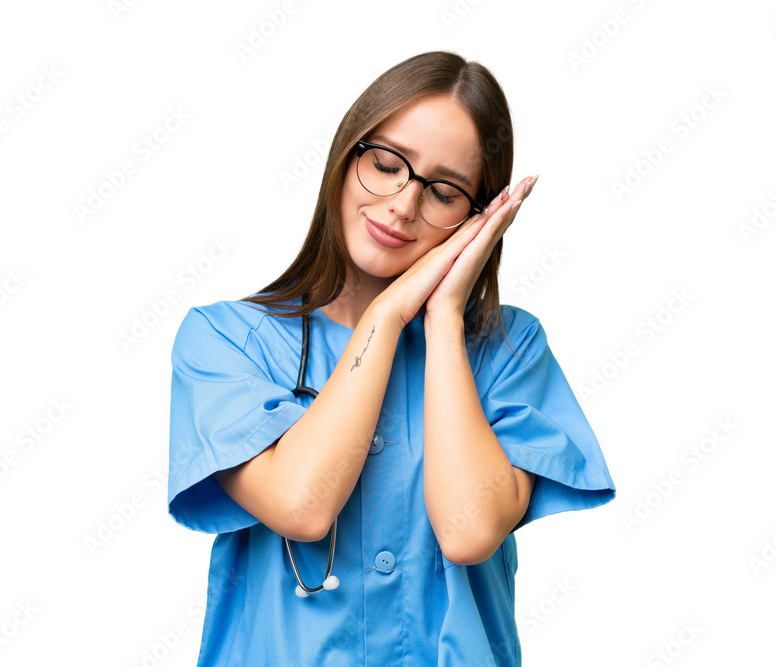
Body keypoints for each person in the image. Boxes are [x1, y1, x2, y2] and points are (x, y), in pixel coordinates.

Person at [167, 50, 616, 666]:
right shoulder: (226, 340)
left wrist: (443, 320)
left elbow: (468, 531)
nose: (404, 205)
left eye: (444, 191)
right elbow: (301, 504)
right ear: (346, 157)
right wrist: (384, 316)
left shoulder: (508, 351)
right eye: (385, 164)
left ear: (478, 220)